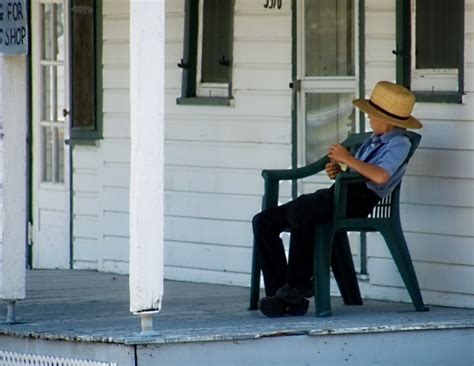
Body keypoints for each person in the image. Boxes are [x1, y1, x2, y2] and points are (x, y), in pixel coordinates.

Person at [252, 81, 423, 317]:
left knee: (303, 211)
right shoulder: (372, 141)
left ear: (387, 119)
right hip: (338, 194)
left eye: (372, 115)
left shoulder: (398, 143)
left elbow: (381, 176)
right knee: (264, 221)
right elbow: (356, 171)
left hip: (359, 200)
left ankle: (296, 287)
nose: (370, 119)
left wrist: (348, 159)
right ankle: (283, 297)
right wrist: (339, 170)